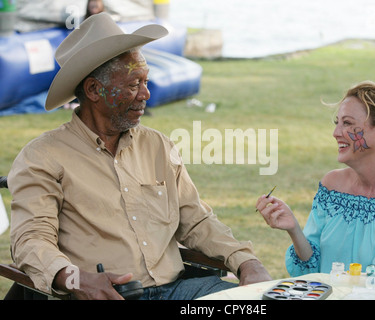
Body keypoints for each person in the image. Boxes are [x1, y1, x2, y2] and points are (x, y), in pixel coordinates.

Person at [8, 13, 271, 300]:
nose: (146, 94)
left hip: (179, 291)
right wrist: (76, 280)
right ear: (94, 90)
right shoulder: (43, 156)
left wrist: (247, 261)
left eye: (146, 81)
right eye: (134, 84)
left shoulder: (158, 146)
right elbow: (31, 241)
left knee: (257, 304)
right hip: (110, 296)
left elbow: (196, 221)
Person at [256, 81, 375, 276]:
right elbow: (310, 271)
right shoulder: (332, 186)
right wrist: (294, 229)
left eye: (347, 123)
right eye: (337, 123)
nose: (336, 133)